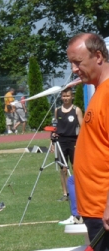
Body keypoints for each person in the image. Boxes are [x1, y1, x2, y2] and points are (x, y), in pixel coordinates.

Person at [68, 33, 109, 251]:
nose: (74, 70)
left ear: (98, 56)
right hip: (95, 209)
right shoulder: (98, 92)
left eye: (78, 62)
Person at [52, 88, 83, 224]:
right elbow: (55, 127)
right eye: (63, 96)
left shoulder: (76, 110)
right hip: (61, 141)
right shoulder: (57, 110)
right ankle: (66, 193)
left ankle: (79, 192)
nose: (65, 98)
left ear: (72, 97)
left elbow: (82, 127)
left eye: (68, 96)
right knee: (63, 169)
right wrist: (52, 142)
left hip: (74, 141)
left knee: (76, 167)